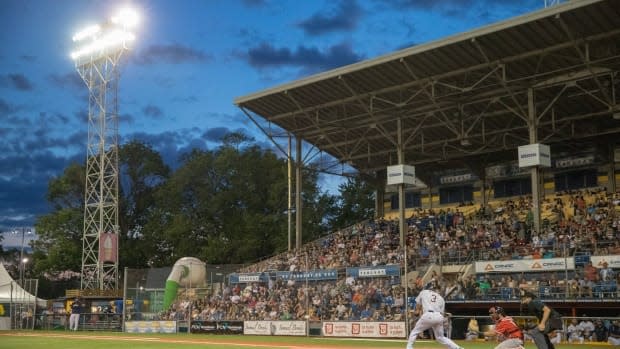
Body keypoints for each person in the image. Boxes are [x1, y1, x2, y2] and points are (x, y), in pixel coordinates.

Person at [405, 282, 463, 349]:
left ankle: (409, 347)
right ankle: (457, 348)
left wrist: (416, 312)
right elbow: (442, 313)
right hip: (439, 316)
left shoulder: (424, 292)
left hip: (428, 315)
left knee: (415, 331)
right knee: (440, 337)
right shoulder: (441, 298)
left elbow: (418, 306)